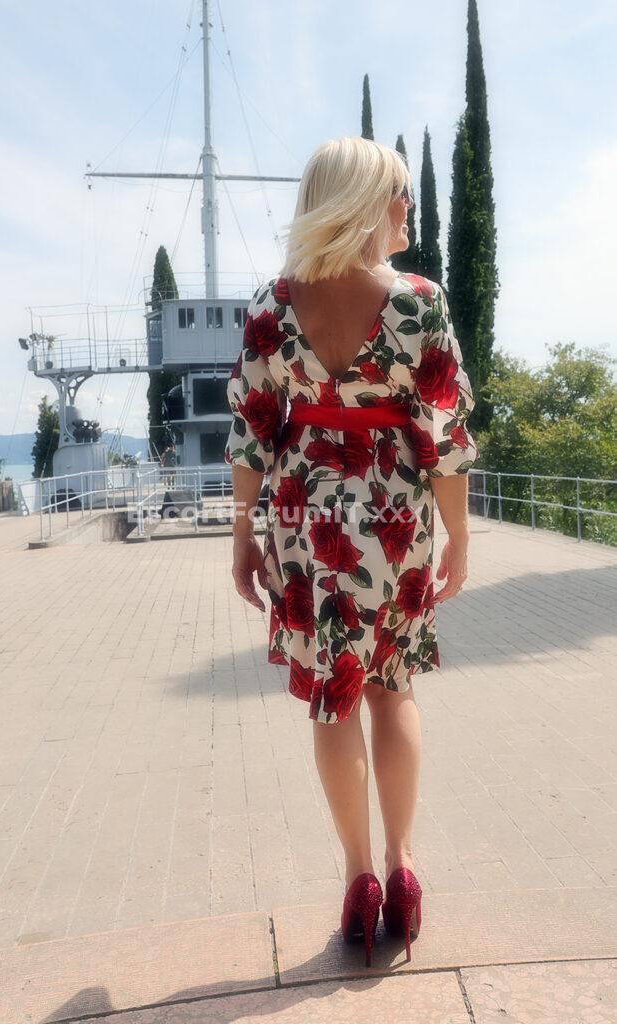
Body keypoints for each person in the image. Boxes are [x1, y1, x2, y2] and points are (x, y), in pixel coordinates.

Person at [224, 137, 479, 967]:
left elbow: (252, 431)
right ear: (366, 201)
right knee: (391, 688)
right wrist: (460, 536)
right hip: (395, 514)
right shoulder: (419, 303)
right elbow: (445, 436)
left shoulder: (272, 305)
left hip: (304, 518)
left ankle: (359, 877)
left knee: (332, 701)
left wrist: (242, 536)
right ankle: (403, 869)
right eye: (401, 194)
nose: (408, 208)